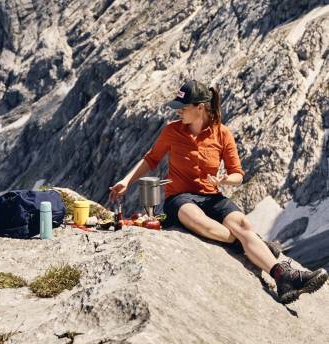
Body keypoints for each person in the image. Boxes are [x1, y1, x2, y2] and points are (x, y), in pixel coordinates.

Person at [109, 80, 328, 304]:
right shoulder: (172, 131)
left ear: (200, 108)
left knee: (243, 224)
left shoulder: (222, 134)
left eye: (183, 107)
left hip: (212, 197)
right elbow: (151, 158)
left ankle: (283, 277)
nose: (178, 111)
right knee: (205, 224)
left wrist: (225, 180)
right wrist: (126, 181)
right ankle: (255, 245)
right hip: (179, 200)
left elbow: (238, 174)